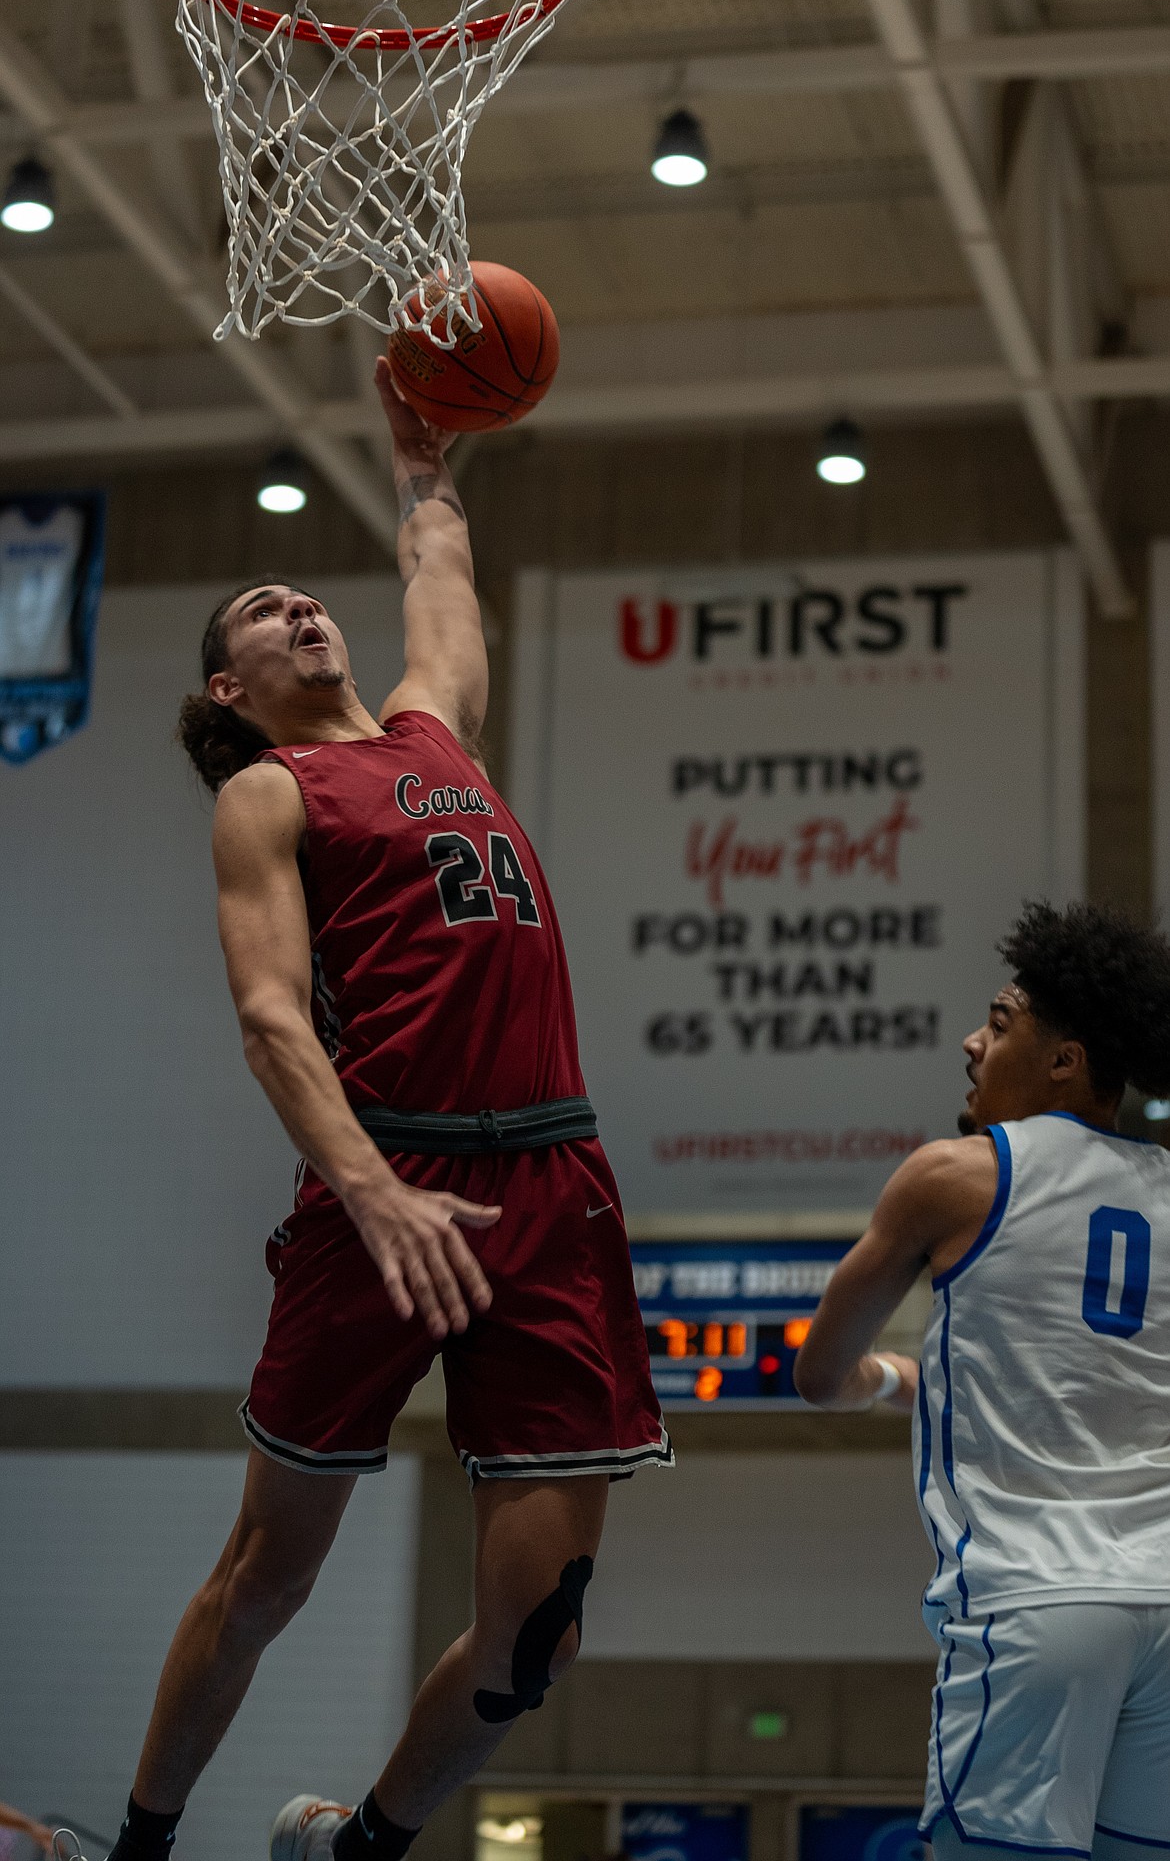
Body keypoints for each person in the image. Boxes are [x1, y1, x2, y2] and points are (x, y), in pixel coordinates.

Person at [97, 364, 670, 1861]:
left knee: (537, 1632)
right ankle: (145, 1845)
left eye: (304, 593)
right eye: (261, 613)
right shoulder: (271, 796)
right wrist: (366, 1190)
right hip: (385, 1182)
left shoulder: (435, 733)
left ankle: (358, 1846)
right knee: (267, 1577)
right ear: (230, 690)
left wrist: (424, 469)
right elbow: (273, 1021)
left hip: (549, 1175)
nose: (299, 607)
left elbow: (441, 576)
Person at [794, 900, 1170, 1861]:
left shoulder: (953, 1176)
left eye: (999, 1023)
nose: (971, 1042)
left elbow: (818, 1371)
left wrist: (884, 1380)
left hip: (1038, 1601)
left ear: (1064, 1061)